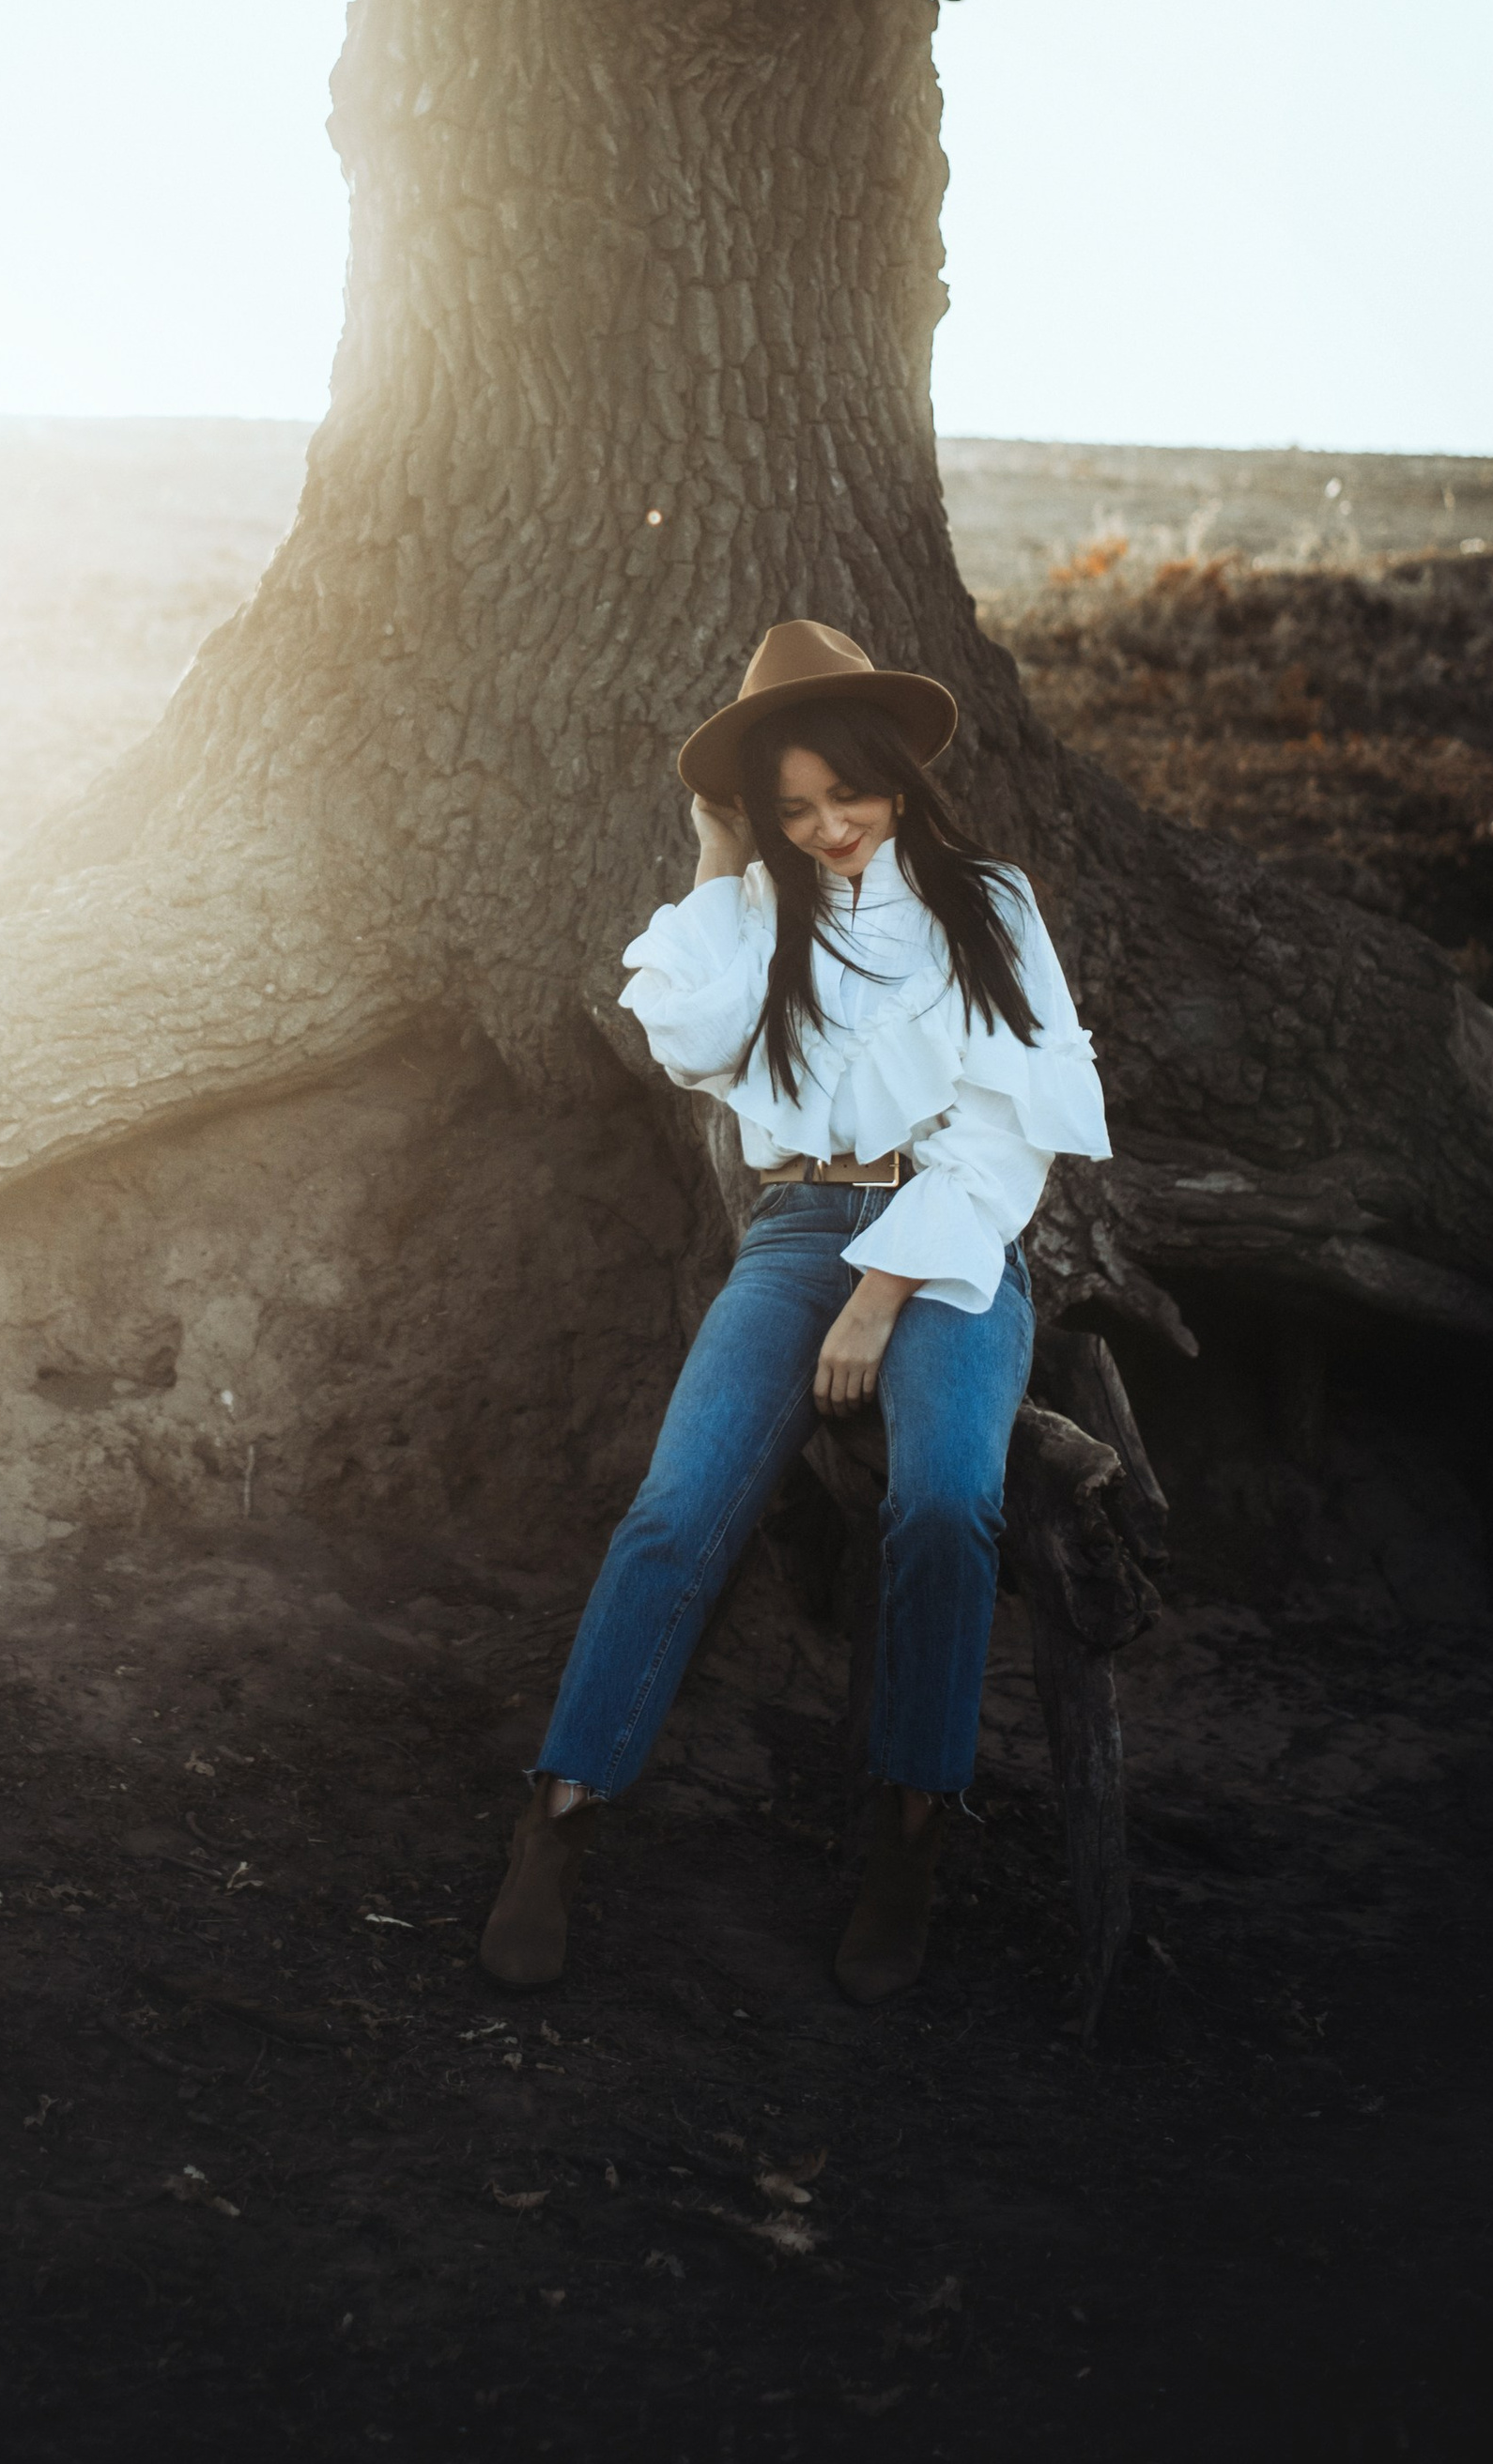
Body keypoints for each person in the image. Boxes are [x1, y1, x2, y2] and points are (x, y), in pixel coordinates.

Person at [479, 620, 1111, 2005]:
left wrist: (883, 1297)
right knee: (676, 1508)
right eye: (794, 808)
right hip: (802, 1228)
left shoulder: (990, 905)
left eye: (849, 795)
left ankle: (908, 1836)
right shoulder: (757, 911)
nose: (828, 828)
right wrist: (719, 857)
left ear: (898, 775)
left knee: (946, 1504)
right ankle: (563, 1816)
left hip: (948, 1239)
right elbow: (687, 1036)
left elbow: (1010, 1136)